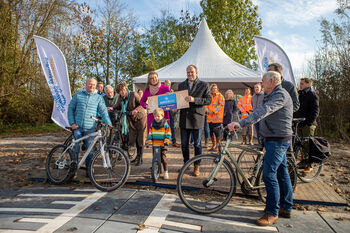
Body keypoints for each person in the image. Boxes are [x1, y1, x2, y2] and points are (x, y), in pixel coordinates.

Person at [228, 71, 293, 226]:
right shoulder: (269, 95)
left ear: (271, 81)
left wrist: (241, 123)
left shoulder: (280, 95)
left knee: (269, 174)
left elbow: (264, 111)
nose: (261, 83)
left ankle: (272, 212)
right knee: (282, 173)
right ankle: (286, 206)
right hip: (272, 138)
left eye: (263, 81)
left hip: (278, 140)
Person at [68, 77, 112, 170]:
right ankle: (73, 168)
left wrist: (108, 122)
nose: (92, 86)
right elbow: (70, 109)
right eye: (90, 84)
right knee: (76, 147)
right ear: (86, 84)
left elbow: (104, 111)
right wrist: (72, 123)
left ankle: (89, 170)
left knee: (90, 150)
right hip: (78, 127)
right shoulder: (78, 95)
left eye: (94, 85)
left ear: (96, 86)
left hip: (91, 129)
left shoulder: (98, 98)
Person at [178, 65, 211, 176]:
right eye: (188, 72)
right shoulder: (181, 85)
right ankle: (186, 164)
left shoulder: (204, 85)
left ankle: (197, 166)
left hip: (197, 118)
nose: (190, 74)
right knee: (184, 144)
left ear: (196, 72)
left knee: (197, 144)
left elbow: (208, 100)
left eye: (192, 72)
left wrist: (194, 99)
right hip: (184, 118)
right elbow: (179, 100)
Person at [113, 81, 147, 166]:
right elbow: (117, 106)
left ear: (126, 89)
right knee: (135, 139)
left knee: (140, 139)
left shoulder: (133, 94)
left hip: (140, 119)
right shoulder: (121, 98)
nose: (122, 93)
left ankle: (140, 158)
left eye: (123, 90)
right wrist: (112, 108)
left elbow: (142, 103)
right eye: (120, 92)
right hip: (131, 121)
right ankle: (137, 157)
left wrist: (136, 110)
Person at [293, 78, 319, 171]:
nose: (300, 85)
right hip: (299, 123)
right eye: (300, 83)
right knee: (301, 144)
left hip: (308, 124)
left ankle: (310, 164)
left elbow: (315, 110)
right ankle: (304, 161)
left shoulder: (312, 95)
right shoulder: (300, 95)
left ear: (308, 84)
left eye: (302, 84)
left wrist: (309, 122)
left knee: (308, 144)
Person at [146, 108, 172, 179]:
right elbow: (150, 134)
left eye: (158, 116)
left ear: (162, 116)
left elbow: (168, 134)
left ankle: (166, 171)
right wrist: (150, 143)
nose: (157, 118)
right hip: (155, 145)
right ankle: (155, 171)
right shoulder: (152, 124)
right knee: (155, 159)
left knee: (163, 158)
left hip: (163, 145)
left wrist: (166, 143)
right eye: (155, 116)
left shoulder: (165, 124)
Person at [205, 84, 224, 151]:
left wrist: (213, 111)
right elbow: (206, 105)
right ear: (211, 89)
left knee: (217, 133)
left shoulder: (220, 96)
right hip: (210, 119)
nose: (214, 90)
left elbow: (221, 105)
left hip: (217, 119)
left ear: (217, 89)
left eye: (215, 88)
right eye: (213, 88)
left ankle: (218, 146)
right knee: (211, 133)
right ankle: (214, 145)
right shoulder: (209, 96)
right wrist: (207, 111)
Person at [164, 80, 181, 148]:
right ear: (164, 84)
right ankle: (164, 142)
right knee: (163, 127)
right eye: (166, 84)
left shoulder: (173, 92)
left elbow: (175, 102)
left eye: (169, 84)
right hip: (163, 112)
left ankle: (173, 141)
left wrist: (175, 110)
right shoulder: (161, 91)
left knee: (172, 127)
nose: (168, 85)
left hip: (171, 112)